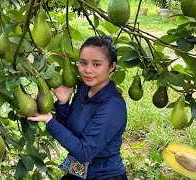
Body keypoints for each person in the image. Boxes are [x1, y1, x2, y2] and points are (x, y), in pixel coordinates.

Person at [27, 35, 128, 179]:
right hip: (78, 171)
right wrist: (63, 102)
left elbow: (84, 152)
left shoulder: (113, 107)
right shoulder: (83, 90)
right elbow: (69, 132)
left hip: (103, 175)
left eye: (96, 64)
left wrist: (50, 120)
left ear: (112, 66)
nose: (87, 70)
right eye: (83, 63)